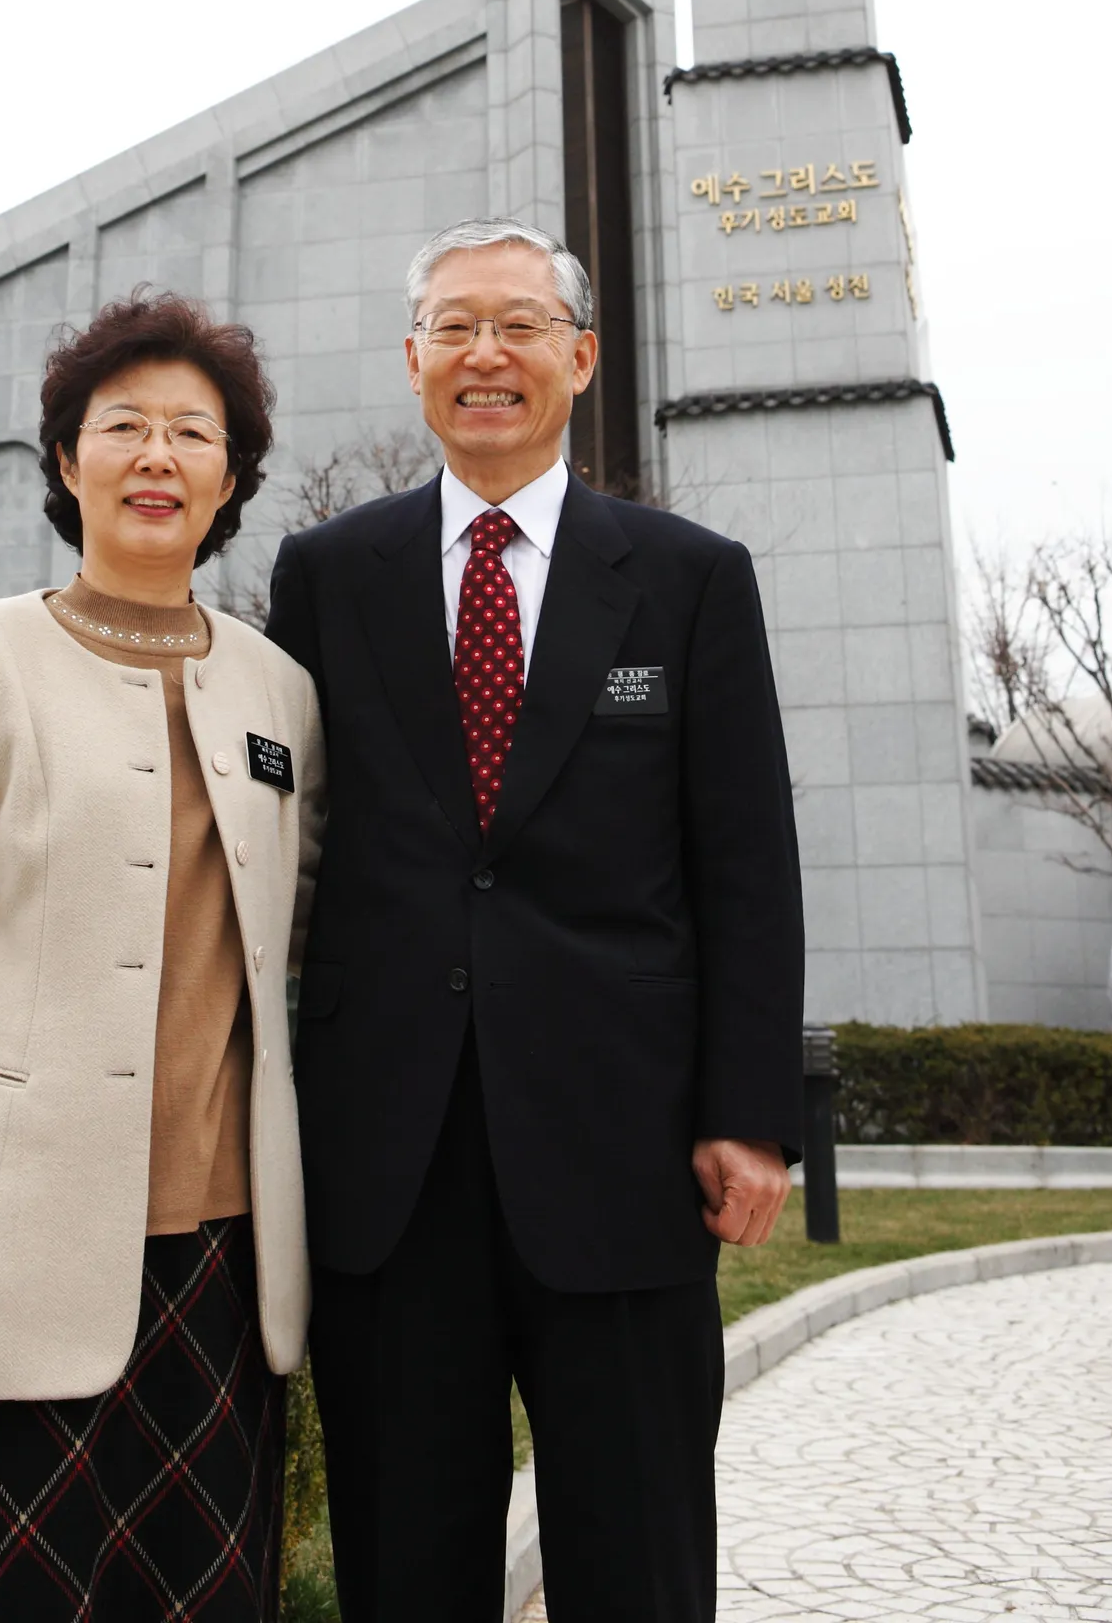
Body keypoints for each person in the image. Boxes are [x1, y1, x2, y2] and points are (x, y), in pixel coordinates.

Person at [265, 219, 804, 1623]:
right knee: (406, 1563)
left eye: (517, 325)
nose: (484, 354)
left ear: (580, 356)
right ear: (411, 360)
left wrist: (750, 1111)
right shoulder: (329, 577)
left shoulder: (689, 579)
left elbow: (745, 859)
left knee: (637, 1559)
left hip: (622, 1156)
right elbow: (300, 848)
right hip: (391, 1159)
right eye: (454, 327)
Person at [0, 291, 325, 1623]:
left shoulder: (281, 692)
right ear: (67, 461)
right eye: (125, 427)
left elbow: (298, 939)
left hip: (224, 1258)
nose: (158, 456)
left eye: (192, 434)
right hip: (8, 1240)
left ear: (232, 479)